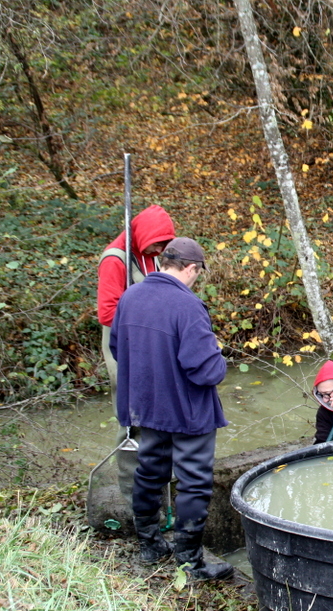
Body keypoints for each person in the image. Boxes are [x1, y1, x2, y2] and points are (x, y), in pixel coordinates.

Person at [110, 237, 233, 581]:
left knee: (149, 471)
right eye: (199, 273)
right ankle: (190, 562)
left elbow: (118, 349)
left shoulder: (130, 296)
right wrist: (220, 358)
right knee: (194, 482)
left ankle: (149, 546)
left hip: (145, 405)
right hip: (187, 411)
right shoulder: (188, 306)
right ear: (191, 268)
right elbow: (205, 370)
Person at [97, 204, 176, 496]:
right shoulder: (115, 259)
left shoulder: (148, 255)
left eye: (167, 243)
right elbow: (107, 313)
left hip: (152, 344)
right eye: (159, 242)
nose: (162, 249)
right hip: (125, 348)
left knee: (160, 410)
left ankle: (161, 478)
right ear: (144, 235)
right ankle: (132, 491)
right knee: (133, 417)